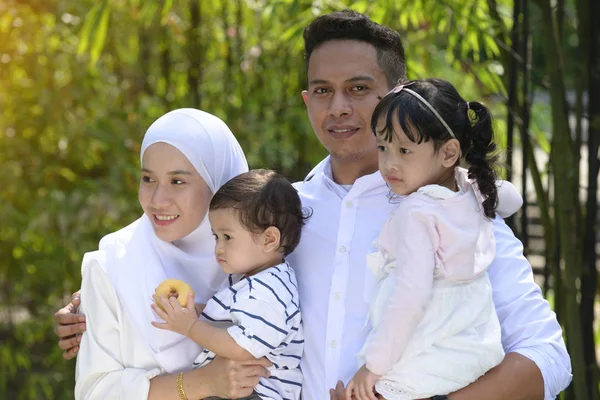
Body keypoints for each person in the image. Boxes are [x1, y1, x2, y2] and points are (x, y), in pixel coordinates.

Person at [56, 9, 572, 400]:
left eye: (359, 88)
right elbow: (187, 256)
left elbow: (547, 356)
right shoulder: (277, 217)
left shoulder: (450, 209)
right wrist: (99, 309)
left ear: (398, 95)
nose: (339, 107)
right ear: (307, 100)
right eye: (322, 90)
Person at [74, 108, 272, 400]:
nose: (157, 200)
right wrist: (202, 383)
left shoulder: (264, 263)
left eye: (177, 181)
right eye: (148, 179)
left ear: (219, 185)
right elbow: (95, 392)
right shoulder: (111, 266)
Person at [345, 78, 523, 400]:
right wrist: (485, 185)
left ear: (448, 152)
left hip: (426, 346)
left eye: (404, 150)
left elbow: (410, 296)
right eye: (383, 148)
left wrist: (373, 365)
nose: (389, 164)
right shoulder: (468, 188)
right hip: (473, 342)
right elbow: (511, 200)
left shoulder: (417, 212)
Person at [152, 169, 307, 400]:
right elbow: (233, 319)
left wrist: (190, 326)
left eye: (227, 237)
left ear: (269, 239)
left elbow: (241, 348)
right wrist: (195, 310)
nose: (218, 248)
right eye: (216, 237)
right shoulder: (250, 279)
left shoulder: (268, 293)